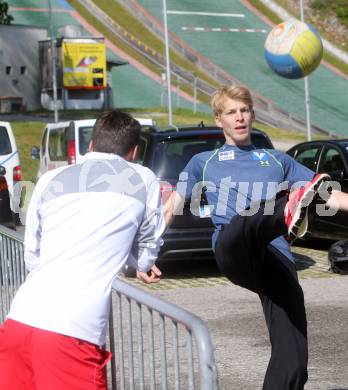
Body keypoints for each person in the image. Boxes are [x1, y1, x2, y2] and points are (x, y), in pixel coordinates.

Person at [164, 85, 348, 390]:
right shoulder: (203, 162)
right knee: (250, 218)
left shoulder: (277, 160)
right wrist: (146, 250)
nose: (239, 118)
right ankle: (285, 211)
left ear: (252, 114)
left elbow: (330, 194)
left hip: (276, 258)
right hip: (234, 247)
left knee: (294, 360)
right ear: (219, 119)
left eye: (245, 110)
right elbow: (171, 206)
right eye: (231, 112)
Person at [0, 110, 165, 389]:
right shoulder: (143, 179)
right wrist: (142, 263)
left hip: (19, 321)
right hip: (72, 332)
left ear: (90, 145)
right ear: (134, 151)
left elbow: (32, 253)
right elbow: (151, 240)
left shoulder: (51, 178)